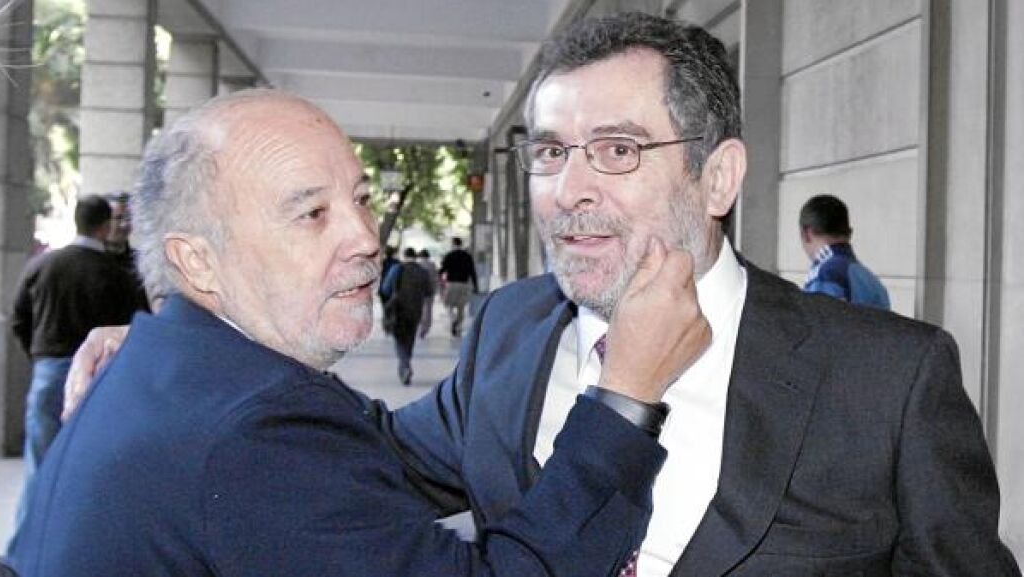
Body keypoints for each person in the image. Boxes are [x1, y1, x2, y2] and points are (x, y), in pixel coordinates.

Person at [386, 13, 1020, 577]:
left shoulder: (889, 379)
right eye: (551, 151)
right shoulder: (507, 329)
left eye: (618, 149)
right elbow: (357, 463)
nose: (568, 189)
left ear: (718, 178)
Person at [8, 89, 713, 576]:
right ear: (197, 261)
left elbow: (372, 449)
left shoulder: (179, 370)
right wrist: (626, 395)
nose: (367, 237)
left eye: (363, 199)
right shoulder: (250, 428)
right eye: (312, 214)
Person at [8, 195, 144, 546]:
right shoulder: (116, 273)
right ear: (105, 226)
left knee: (39, 465)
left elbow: (19, 317)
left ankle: (23, 549)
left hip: (48, 370)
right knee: (88, 467)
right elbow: (136, 325)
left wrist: (39, 355)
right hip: (98, 376)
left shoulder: (43, 265)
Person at [799, 194, 891, 309]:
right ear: (849, 233)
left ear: (806, 234)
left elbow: (818, 319)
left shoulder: (825, 274)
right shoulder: (872, 282)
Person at [389, 247, 434, 385]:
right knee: (410, 338)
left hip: (399, 310)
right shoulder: (423, 272)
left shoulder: (397, 269)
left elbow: (385, 287)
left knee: (399, 339)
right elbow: (429, 292)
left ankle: (405, 365)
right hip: (416, 310)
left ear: (404, 256)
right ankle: (406, 363)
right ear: (415, 257)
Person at [105, 191, 151, 311]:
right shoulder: (91, 262)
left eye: (128, 218)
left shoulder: (138, 260)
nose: (124, 224)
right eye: (118, 218)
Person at [438, 236, 477, 336]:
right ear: (461, 244)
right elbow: (472, 272)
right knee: (461, 307)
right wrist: (475, 286)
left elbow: (442, 269)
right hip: (464, 284)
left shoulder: (449, 255)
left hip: (451, 284)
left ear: (453, 244)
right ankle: (458, 326)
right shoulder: (467, 256)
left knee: (448, 305)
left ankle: (453, 319)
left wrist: (439, 280)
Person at [417, 248, 439, 337]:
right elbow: (435, 278)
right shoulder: (432, 265)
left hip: (420, 290)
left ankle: (421, 326)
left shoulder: (418, 265)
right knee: (429, 309)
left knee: (420, 308)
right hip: (430, 290)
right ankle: (426, 327)